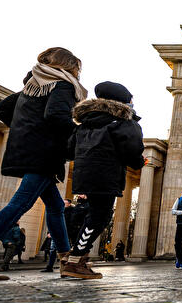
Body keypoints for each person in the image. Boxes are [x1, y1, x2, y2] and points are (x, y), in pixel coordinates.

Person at [0, 47, 84, 282]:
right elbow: (57, 117)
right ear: (69, 66)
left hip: (29, 151)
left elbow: (1, 109)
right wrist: (84, 135)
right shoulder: (62, 85)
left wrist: (26, 130)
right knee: (19, 204)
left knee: (55, 207)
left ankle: (66, 262)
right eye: (77, 68)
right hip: (44, 155)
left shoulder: (32, 87)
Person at [61, 81, 145, 279]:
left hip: (85, 174)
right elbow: (133, 150)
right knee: (100, 216)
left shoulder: (84, 123)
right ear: (123, 101)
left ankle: (74, 259)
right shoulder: (125, 122)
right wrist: (139, 162)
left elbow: (69, 150)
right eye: (130, 99)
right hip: (107, 174)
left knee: (93, 215)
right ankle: (76, 260)